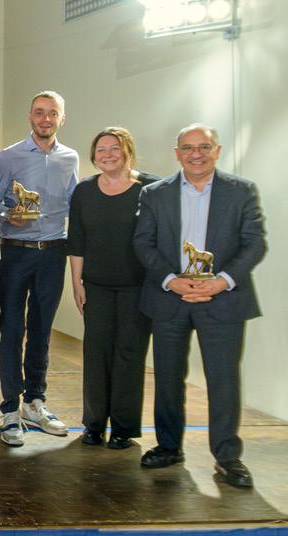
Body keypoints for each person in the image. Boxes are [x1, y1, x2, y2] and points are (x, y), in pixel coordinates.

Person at [134, 124, 266, 488]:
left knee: (223, 380)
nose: (196, 154)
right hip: (170, 298)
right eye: (188, 147)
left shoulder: (242, 191)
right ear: (176, 153)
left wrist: (221, 281)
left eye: (204, 147)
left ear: (217, 151)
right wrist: (171, 280)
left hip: (223, 299)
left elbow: (254, 243)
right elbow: (143, 243)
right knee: (167, 377)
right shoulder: (154, 193)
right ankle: (169, 447)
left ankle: (228, 457)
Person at [0, 90, 78, 446]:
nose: (45, 119)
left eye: (52, 113)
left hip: (53, 253)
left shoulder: (70, 158)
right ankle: (9, 409)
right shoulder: (8, 157)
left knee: (42, 330)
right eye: (39, 112)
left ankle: (34, 402)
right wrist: (6, 215)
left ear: (61, 119)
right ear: (30, 116)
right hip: (15, 253)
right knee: (12, 330)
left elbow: (75, 204)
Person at [66, 127, 156, 449]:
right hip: (96, 287)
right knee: (96, 355)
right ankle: (93, 425)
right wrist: (76, 283)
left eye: (114, 148)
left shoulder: (150, 189)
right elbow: (77, 240)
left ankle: (122, 428)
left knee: (129, 356)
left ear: (127, 150)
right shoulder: (84, 191)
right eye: (101, 149)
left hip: (137, 289)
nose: (107, 154)